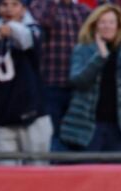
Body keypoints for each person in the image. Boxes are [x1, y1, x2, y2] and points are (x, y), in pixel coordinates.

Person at [60, 4, 121, 152]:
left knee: (117, 173)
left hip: (120, 126)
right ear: (95, 25)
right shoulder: (83, 48)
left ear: (118, 25)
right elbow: (78, 81)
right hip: (89, 126)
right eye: (103, 22)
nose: (107, 26)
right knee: (91, 172)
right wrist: (100, 57)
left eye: (111, 22)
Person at [0, 0, 52, 165]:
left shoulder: (35, 29)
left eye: (15, 5)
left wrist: (11, 28)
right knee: (4, 182)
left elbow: (26, 39)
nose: (9, 9)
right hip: (1, 117)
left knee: (37, 178)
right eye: (4, 5)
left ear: (23, 9)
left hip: (33, 117)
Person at [29, 0, 91, 152]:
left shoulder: (82, 10)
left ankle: (75, 173)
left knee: (76, 136)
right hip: (50, 84)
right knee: (51, 136)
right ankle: (53, 173)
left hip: (77, 87)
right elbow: (43, 20)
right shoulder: (40, 5)